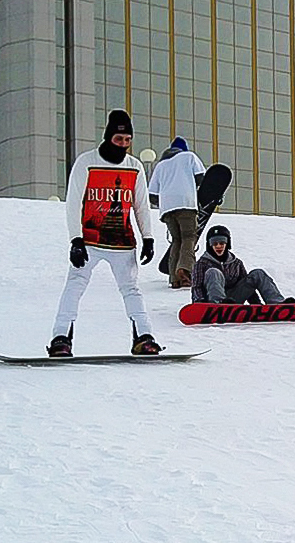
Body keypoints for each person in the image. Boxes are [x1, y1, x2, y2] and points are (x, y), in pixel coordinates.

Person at [47, 109, 160, 357]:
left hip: (122, 241)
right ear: (108, 137)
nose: (123, 145)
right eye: (119, 139)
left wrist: (148, 237)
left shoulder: (135, 166)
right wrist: (75, 239)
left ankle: (144, 336)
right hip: (90, 239)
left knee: (131, 289)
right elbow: (74, 202)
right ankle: (60, 338)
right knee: (75, 286)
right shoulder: (87, 162)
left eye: (128, 140)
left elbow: (140, 204)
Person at [147, 136, 206, 288]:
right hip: (186, 203)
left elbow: (152, 195)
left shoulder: (160, 165)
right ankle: (185, 270)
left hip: (167, 208)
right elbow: (202, 179)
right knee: (189, 237)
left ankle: (174, 279)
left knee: (176, 240)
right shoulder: (189, 156)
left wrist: (166, 202)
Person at [190, 225, 295, 305]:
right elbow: (196, 287)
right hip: (211, 301)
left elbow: (247, 284)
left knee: (258, 273)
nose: (218, 246)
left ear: (227, 244)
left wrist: (255, 304)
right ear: (209, 245)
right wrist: (199, 302)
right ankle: (219, 304)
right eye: (215, 243)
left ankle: (277, 303)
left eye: (222, 243)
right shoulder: (201, 263)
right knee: (214, 272)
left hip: (233, 300)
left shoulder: (236, 263)